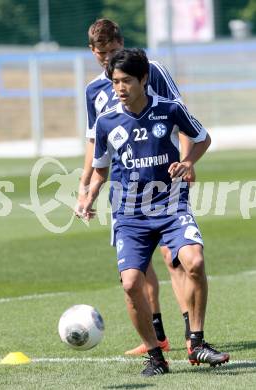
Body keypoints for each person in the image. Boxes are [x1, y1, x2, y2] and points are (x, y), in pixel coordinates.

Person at [80, 48, 230, 376]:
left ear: (144, 79)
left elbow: (202, 138)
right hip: (129, 214)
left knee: (195, 261)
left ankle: (197, 341)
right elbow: (102, 169)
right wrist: (89, 197)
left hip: (170, 205)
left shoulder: (170, 109)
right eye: (115, 81)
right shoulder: (107, 121)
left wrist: (188, 162)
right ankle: (155, 355)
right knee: (132, 283)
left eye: (126, 81)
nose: (119, 88)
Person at [76, 18, 194, 355]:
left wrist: (187, 161)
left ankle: (191, 333)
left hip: (164, 177)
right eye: (102, 54)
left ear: (121, 43)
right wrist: (85, 186)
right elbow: (93, 141)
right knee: (139, 267)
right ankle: (157, 337)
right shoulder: (94, 91)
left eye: (113, 51)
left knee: (175, 256)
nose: (108, 57)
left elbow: (179, 114)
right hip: (126, 189)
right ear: (92, 52)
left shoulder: (149, 70)